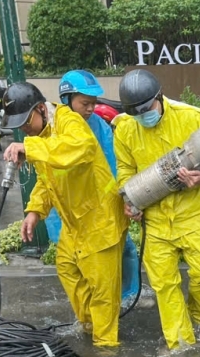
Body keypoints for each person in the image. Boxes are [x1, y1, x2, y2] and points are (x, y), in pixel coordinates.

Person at [1, 82, 127, 349]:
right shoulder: (42, 136)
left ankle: (106, 348)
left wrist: (31, 148)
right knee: (67, 268)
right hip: (75, 222)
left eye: (26, 122)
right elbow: (46, 180)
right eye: (19, 125)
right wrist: (34, 211)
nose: (24, 129)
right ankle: (91, 325)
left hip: (100, 218)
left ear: (40, 109)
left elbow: (81, 147)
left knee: (103, 289)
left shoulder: (68, 120)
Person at [113, 69, 200, 356]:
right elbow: (124, 169)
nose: (143, 116)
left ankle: (199, 321)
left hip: (194, 215)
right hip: (155, 220)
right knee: (164, 285)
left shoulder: (191, 118)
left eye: (146, 109)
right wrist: (130, 199)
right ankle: (180, 344)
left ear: (159, 96)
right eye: (136, 113)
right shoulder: (125, 128)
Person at [56, 69, 152, 311]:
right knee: (82, 261)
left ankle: (128, 294)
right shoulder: (57, 130)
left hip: (106, 203)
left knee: (124, 248)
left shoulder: (99, 125)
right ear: (67, 99)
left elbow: (115, 163)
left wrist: (124, 197)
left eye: (93, 102)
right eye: (85, 103)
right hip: (77, 210)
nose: (91, 108)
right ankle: (92, 309)